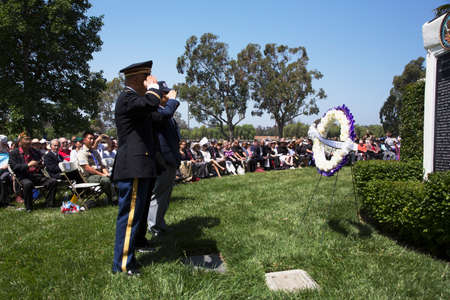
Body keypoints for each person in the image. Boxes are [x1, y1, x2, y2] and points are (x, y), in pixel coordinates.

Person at [111, 60, 163, 276]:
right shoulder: (127, 97)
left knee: (134, 216)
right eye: (146, 78)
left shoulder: (133, 99)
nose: (149, 81)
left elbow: (156, 114)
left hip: (139, 165)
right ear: (135, 79)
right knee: (130, 217)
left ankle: (127, 259)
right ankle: (123, 265)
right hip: (133, 166)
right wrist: (154, 90)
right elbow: (148, 104)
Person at [147, 81, 180, 237]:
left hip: (170, 159)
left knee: (165, 195)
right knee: (158, 194)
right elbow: (165, 116)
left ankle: (160, 223)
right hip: (161, 159)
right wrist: (173, 102)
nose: (167, 96)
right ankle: (154, 227)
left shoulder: (165, 112)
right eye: (164, 93)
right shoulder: (155, 111)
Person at [9, 132, 57, 212]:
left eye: (29, 139)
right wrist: (28, 165)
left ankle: (50, 204)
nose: (28, 142)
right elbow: (14, 167)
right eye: (26, 139)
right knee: (28, 184)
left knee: (53, 182)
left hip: (36, 175)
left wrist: (40, 164)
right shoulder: (14, 153)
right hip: (23, 177)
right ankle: (29, 207)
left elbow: (40, 161)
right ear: (20, 142)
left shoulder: (34, 151)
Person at [77, 131, 117, 205]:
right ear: (84, 140)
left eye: (93, 139)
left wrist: (106, 173)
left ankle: (116, 197)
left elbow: (102, 166)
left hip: (99, 174)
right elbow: (87, 168)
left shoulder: (95, 152)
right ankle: (114, 200)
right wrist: (102, 175)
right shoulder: (81, 152)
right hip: (88, 176)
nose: (92, 140)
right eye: (90, 138)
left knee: (112, 177)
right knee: (106, 180)